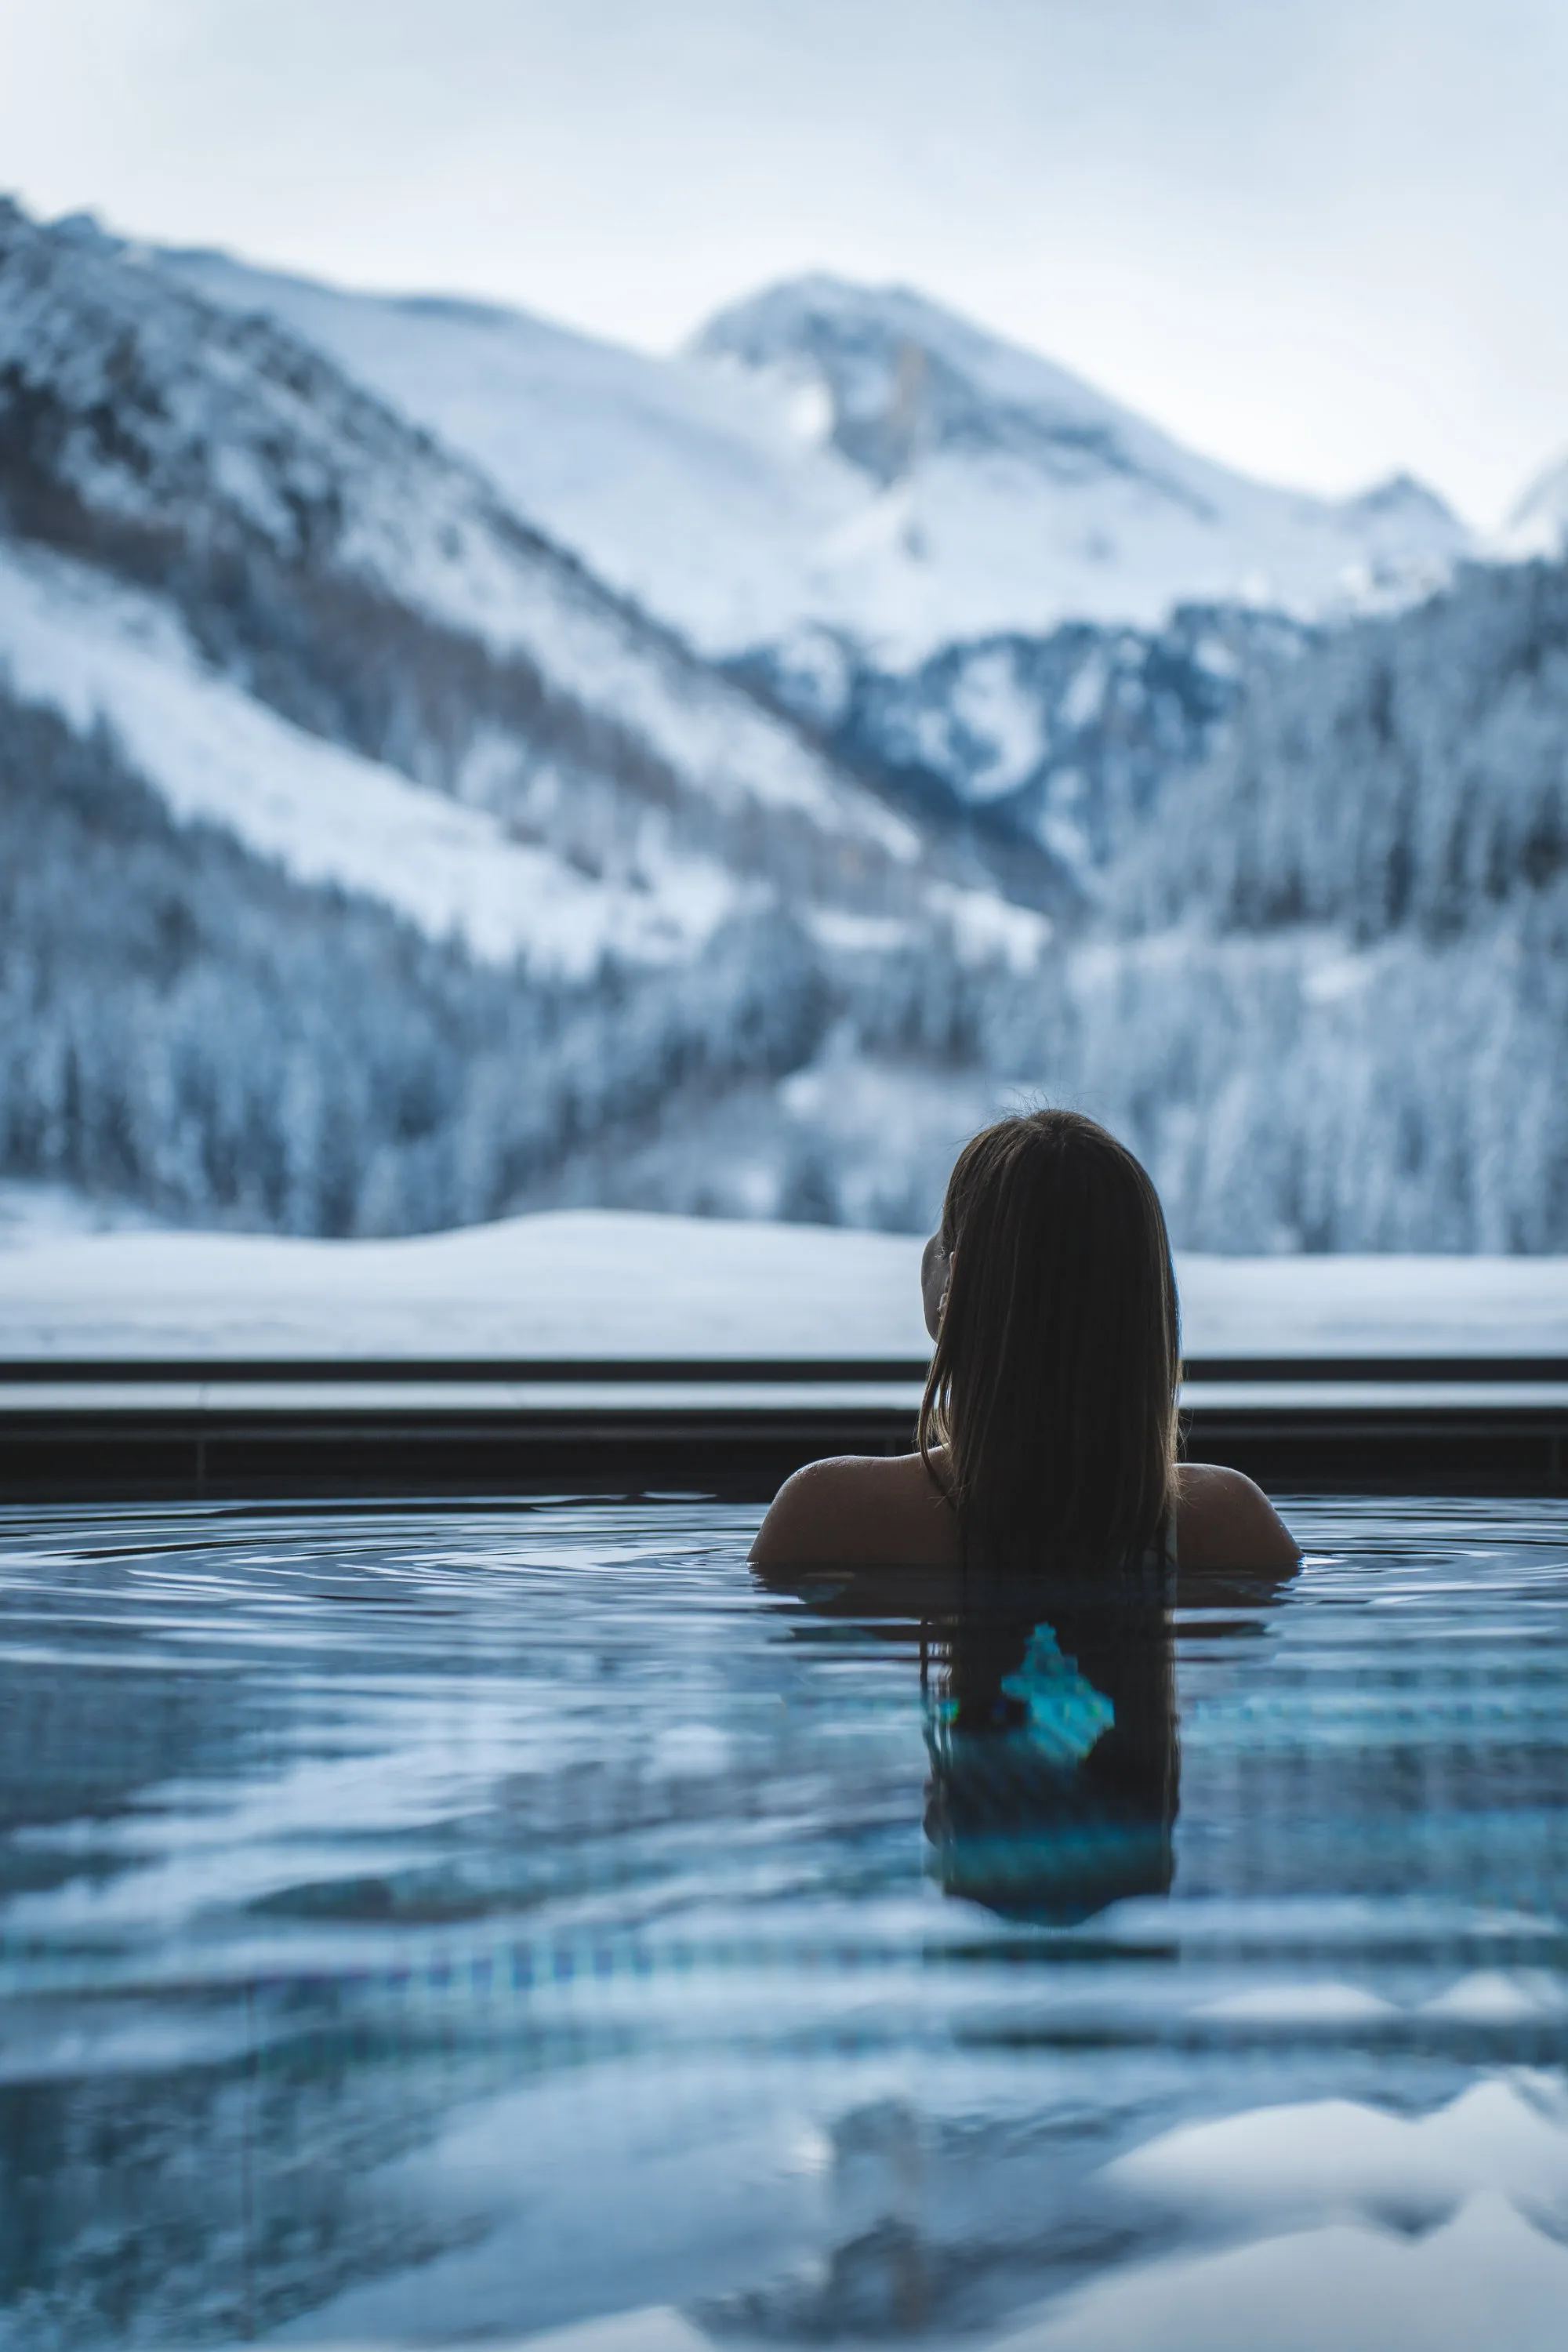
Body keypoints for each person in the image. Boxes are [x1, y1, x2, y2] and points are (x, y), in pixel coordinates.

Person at [750, 1108, 1298, 1576]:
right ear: (1148, 1307)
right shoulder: (1234, 1527)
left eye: (942, 1233)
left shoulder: (826, 1517)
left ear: (955, 1289)